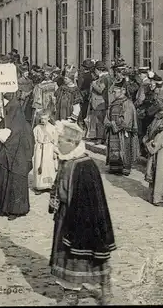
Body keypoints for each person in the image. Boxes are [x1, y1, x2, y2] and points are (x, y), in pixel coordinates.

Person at [48, 120, 116, 306]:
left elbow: (88, 198)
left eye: (60, 140)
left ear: (72, 143)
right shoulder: (67, 160)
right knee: (70, 253)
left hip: (81, 218)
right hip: (66, 215)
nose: (57, 144)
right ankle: (74, 290)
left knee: (84, 252)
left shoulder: (84, 165)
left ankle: (92, 289)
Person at [0, 93, 34, 220]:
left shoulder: (25, 126)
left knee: (15, 183)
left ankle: (16, 210)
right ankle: (4, 207)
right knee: (4, 180)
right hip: (5, 158)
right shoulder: (4, 123)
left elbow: (29, 144)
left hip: (19, 160)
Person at [104, 86, 140, 176]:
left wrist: (114, 124)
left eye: (115, 92)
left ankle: (125, 167)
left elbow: (127, 120)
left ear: (122, 91)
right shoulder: (113, 103)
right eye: (113, 92)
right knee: (113, 147)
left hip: (123, 132)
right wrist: (108, 122)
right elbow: (107, 115)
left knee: (124, 147)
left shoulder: (128, 103)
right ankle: (115, 167)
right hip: (113, 130)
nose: (113, 94)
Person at [85, 61, 111, 144]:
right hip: (100, 103)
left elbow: (100, 90)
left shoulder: (104, 78)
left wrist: (93, 84)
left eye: (95, 69)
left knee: (99, 121)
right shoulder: (103, 77)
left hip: (100, 103)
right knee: (100, 121)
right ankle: (101, 137)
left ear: (98, 70)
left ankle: (100, 139)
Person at [32, 110, 57, 194]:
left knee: (49, 167)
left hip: (49, 149)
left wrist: (54, 152)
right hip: (39, 149)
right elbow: (34, 139)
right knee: (39, 166)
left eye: (45, 119)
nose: (43, 121)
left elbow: (55, 140)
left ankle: (49, 185)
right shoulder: (37, 128)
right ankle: (39, 187)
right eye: (42, 119)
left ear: (49, 118)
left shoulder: (53, 128)